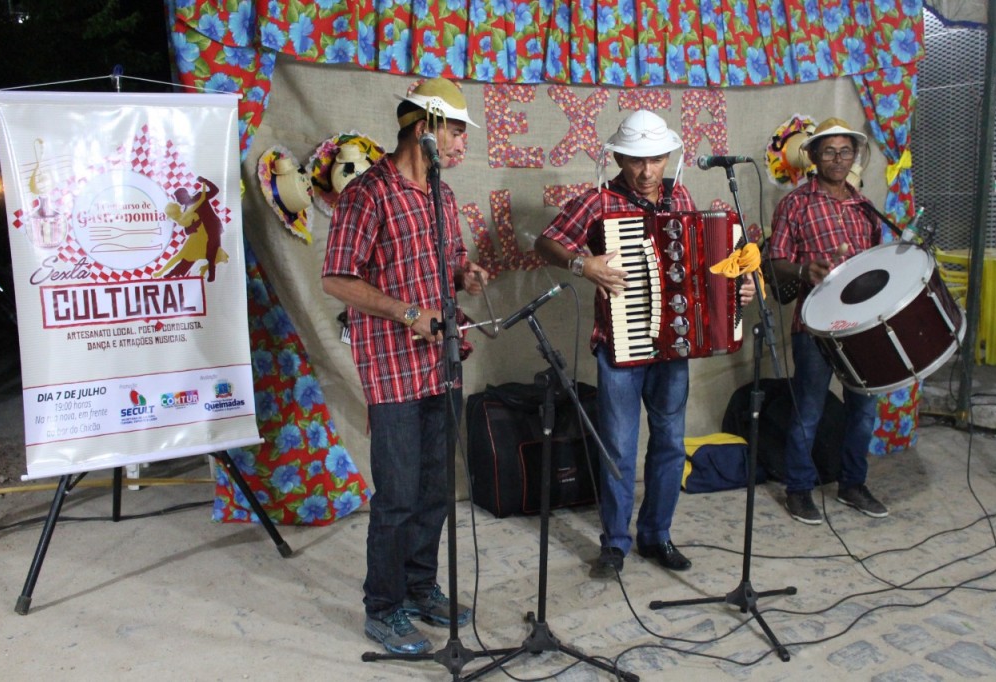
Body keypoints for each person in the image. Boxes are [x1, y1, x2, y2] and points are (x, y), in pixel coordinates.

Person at [534, 110, 755, 576]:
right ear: (617, 157)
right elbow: (546, 242)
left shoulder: (683, 197)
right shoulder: (598, 202)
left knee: (671, 443)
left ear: (668, 157)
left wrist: (739, 286)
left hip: (675, 344)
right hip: (619, 342)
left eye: (655, 159)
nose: (646, 171)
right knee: (617, 446)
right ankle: (615, 543)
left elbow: (703, 270)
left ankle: (657, 534)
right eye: (636, 160)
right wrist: (582, 265)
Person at [321, 78, 488, 655]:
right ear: (425, 130)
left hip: (441, 363)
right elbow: (337, 278)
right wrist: (407, 313)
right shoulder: (368, 193)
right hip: (392, 366)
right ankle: (383, 607)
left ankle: (420, 587)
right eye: (458, 131)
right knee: (396, 495)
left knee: (437, 488)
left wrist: (465, 276)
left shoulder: (442, 194)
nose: (465, 143)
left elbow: (453, 259)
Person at [765, 117, 888, 525]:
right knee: (809, 411)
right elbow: (775, 262)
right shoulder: (795, 204)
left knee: (863, 410)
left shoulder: (865, 207)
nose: (838, 159)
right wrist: (804, 271)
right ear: (814, 156)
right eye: (829, 151)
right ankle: (799, 490)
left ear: (855, 157)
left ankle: (853, 484)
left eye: (846, 151)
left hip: (862, 326)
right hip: (814, 326)